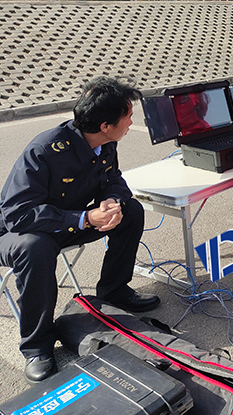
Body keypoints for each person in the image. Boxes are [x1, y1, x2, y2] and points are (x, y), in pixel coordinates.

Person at [0, 77, 160, 384]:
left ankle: (114, 291)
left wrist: (112, 203)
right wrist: (85, 218)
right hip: (16, 232)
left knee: (131, 211)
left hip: (64, 222)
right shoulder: (45, 150)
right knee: (35, 247)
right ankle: (37, 346)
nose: (131, 122)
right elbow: (17, 214)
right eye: (127, 116)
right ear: (105, 125)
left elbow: (114, 180)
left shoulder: (105, 143)